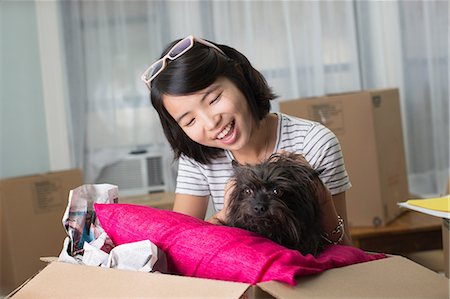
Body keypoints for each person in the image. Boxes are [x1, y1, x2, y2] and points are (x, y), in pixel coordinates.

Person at [142, 35, 352, 245]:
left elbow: (344, 250)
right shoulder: (199, 158)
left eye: (213, 99)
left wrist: (318, 193)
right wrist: (227, 212)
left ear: (239, 75)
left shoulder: (314, 143)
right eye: (190, 121)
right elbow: (181, 244)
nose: (210, 123)